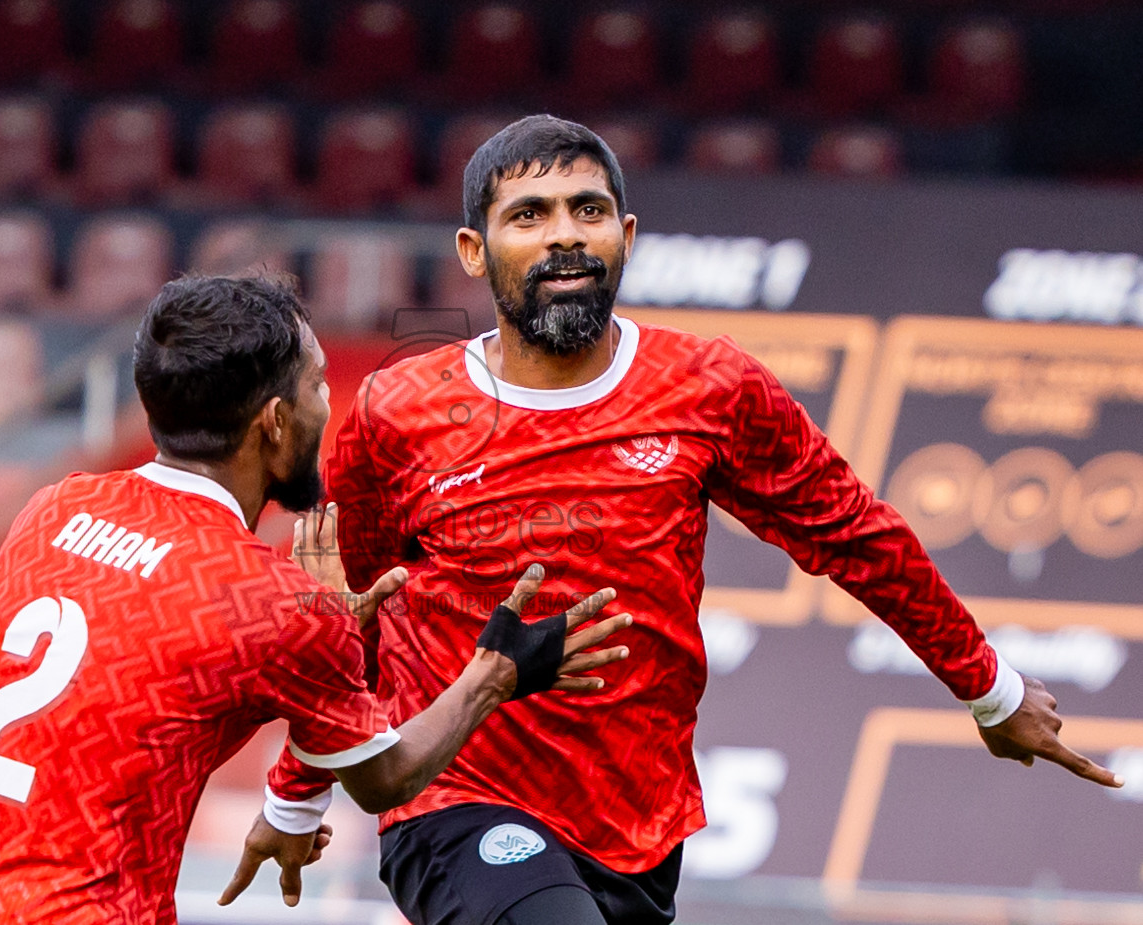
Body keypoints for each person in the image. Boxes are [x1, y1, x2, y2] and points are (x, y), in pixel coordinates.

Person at [243, 116, 1125, 925]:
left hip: (637, 822)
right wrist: (296, 794)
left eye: (587, 209)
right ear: (475, 250)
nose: (562, 234)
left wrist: (988, 688)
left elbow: (855, 536)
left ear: (624, 237)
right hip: (456, 800)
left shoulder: (711, 387)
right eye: (529, 214)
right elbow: (345, 619)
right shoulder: (396, 413)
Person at [0, 274, 632, 925]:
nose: (331, 404)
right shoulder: (274, 604)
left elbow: (154, 694)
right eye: (320, 383)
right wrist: (492, 674)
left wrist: (323, 651)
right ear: (275, 421)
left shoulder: (51, 510)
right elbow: (385, 777)